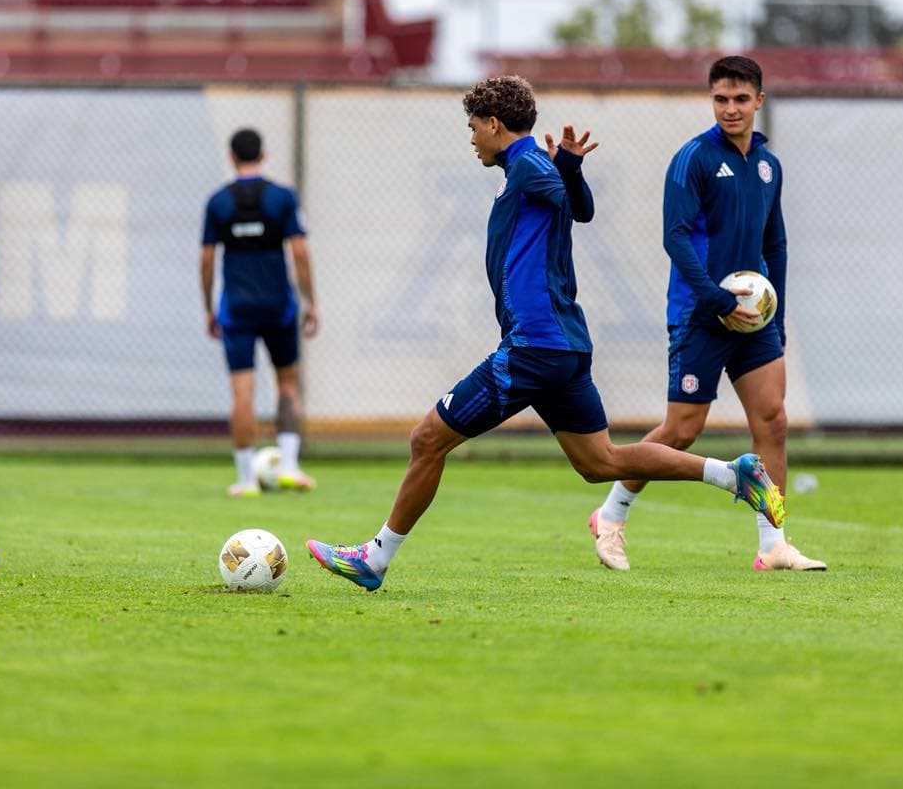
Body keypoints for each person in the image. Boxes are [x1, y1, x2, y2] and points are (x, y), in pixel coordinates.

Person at [306, 75, 784, 592]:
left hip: (533, 346)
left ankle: (374, 559)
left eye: (472, 127)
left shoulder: (530, 163)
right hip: (564, 347)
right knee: (601, 462)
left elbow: (570, 200)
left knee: (426, 439)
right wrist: (570, 171)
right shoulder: (528, 166)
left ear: (493, 125)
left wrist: (568, 171)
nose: (470, 139)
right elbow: (579, 208)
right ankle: (734, 475)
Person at [589, 55, 826, 572]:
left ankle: (773, 544)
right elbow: (674, 236)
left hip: (754, 319)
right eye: (721, 99)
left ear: (759, 101)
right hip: (700, 314)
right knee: (681, 430)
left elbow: (776, 243)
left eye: (741, 99)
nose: (731, 108)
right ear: (712, 100)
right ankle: (610, 515)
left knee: (773, 420)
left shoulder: (768, 165)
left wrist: (776, 316)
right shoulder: (693, 158)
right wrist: (714, 298)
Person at [200, 127, 317, 495]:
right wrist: (311, 301)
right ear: (263, 155)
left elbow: (206, 260)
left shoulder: (218, 202)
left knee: (242, 393)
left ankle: (246, 479)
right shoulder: (281, 198)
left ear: (232, 157)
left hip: (236, 307)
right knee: (286, 383)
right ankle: (290, 467)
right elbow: (299, 252)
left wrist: (208, 307)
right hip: (278, 305)